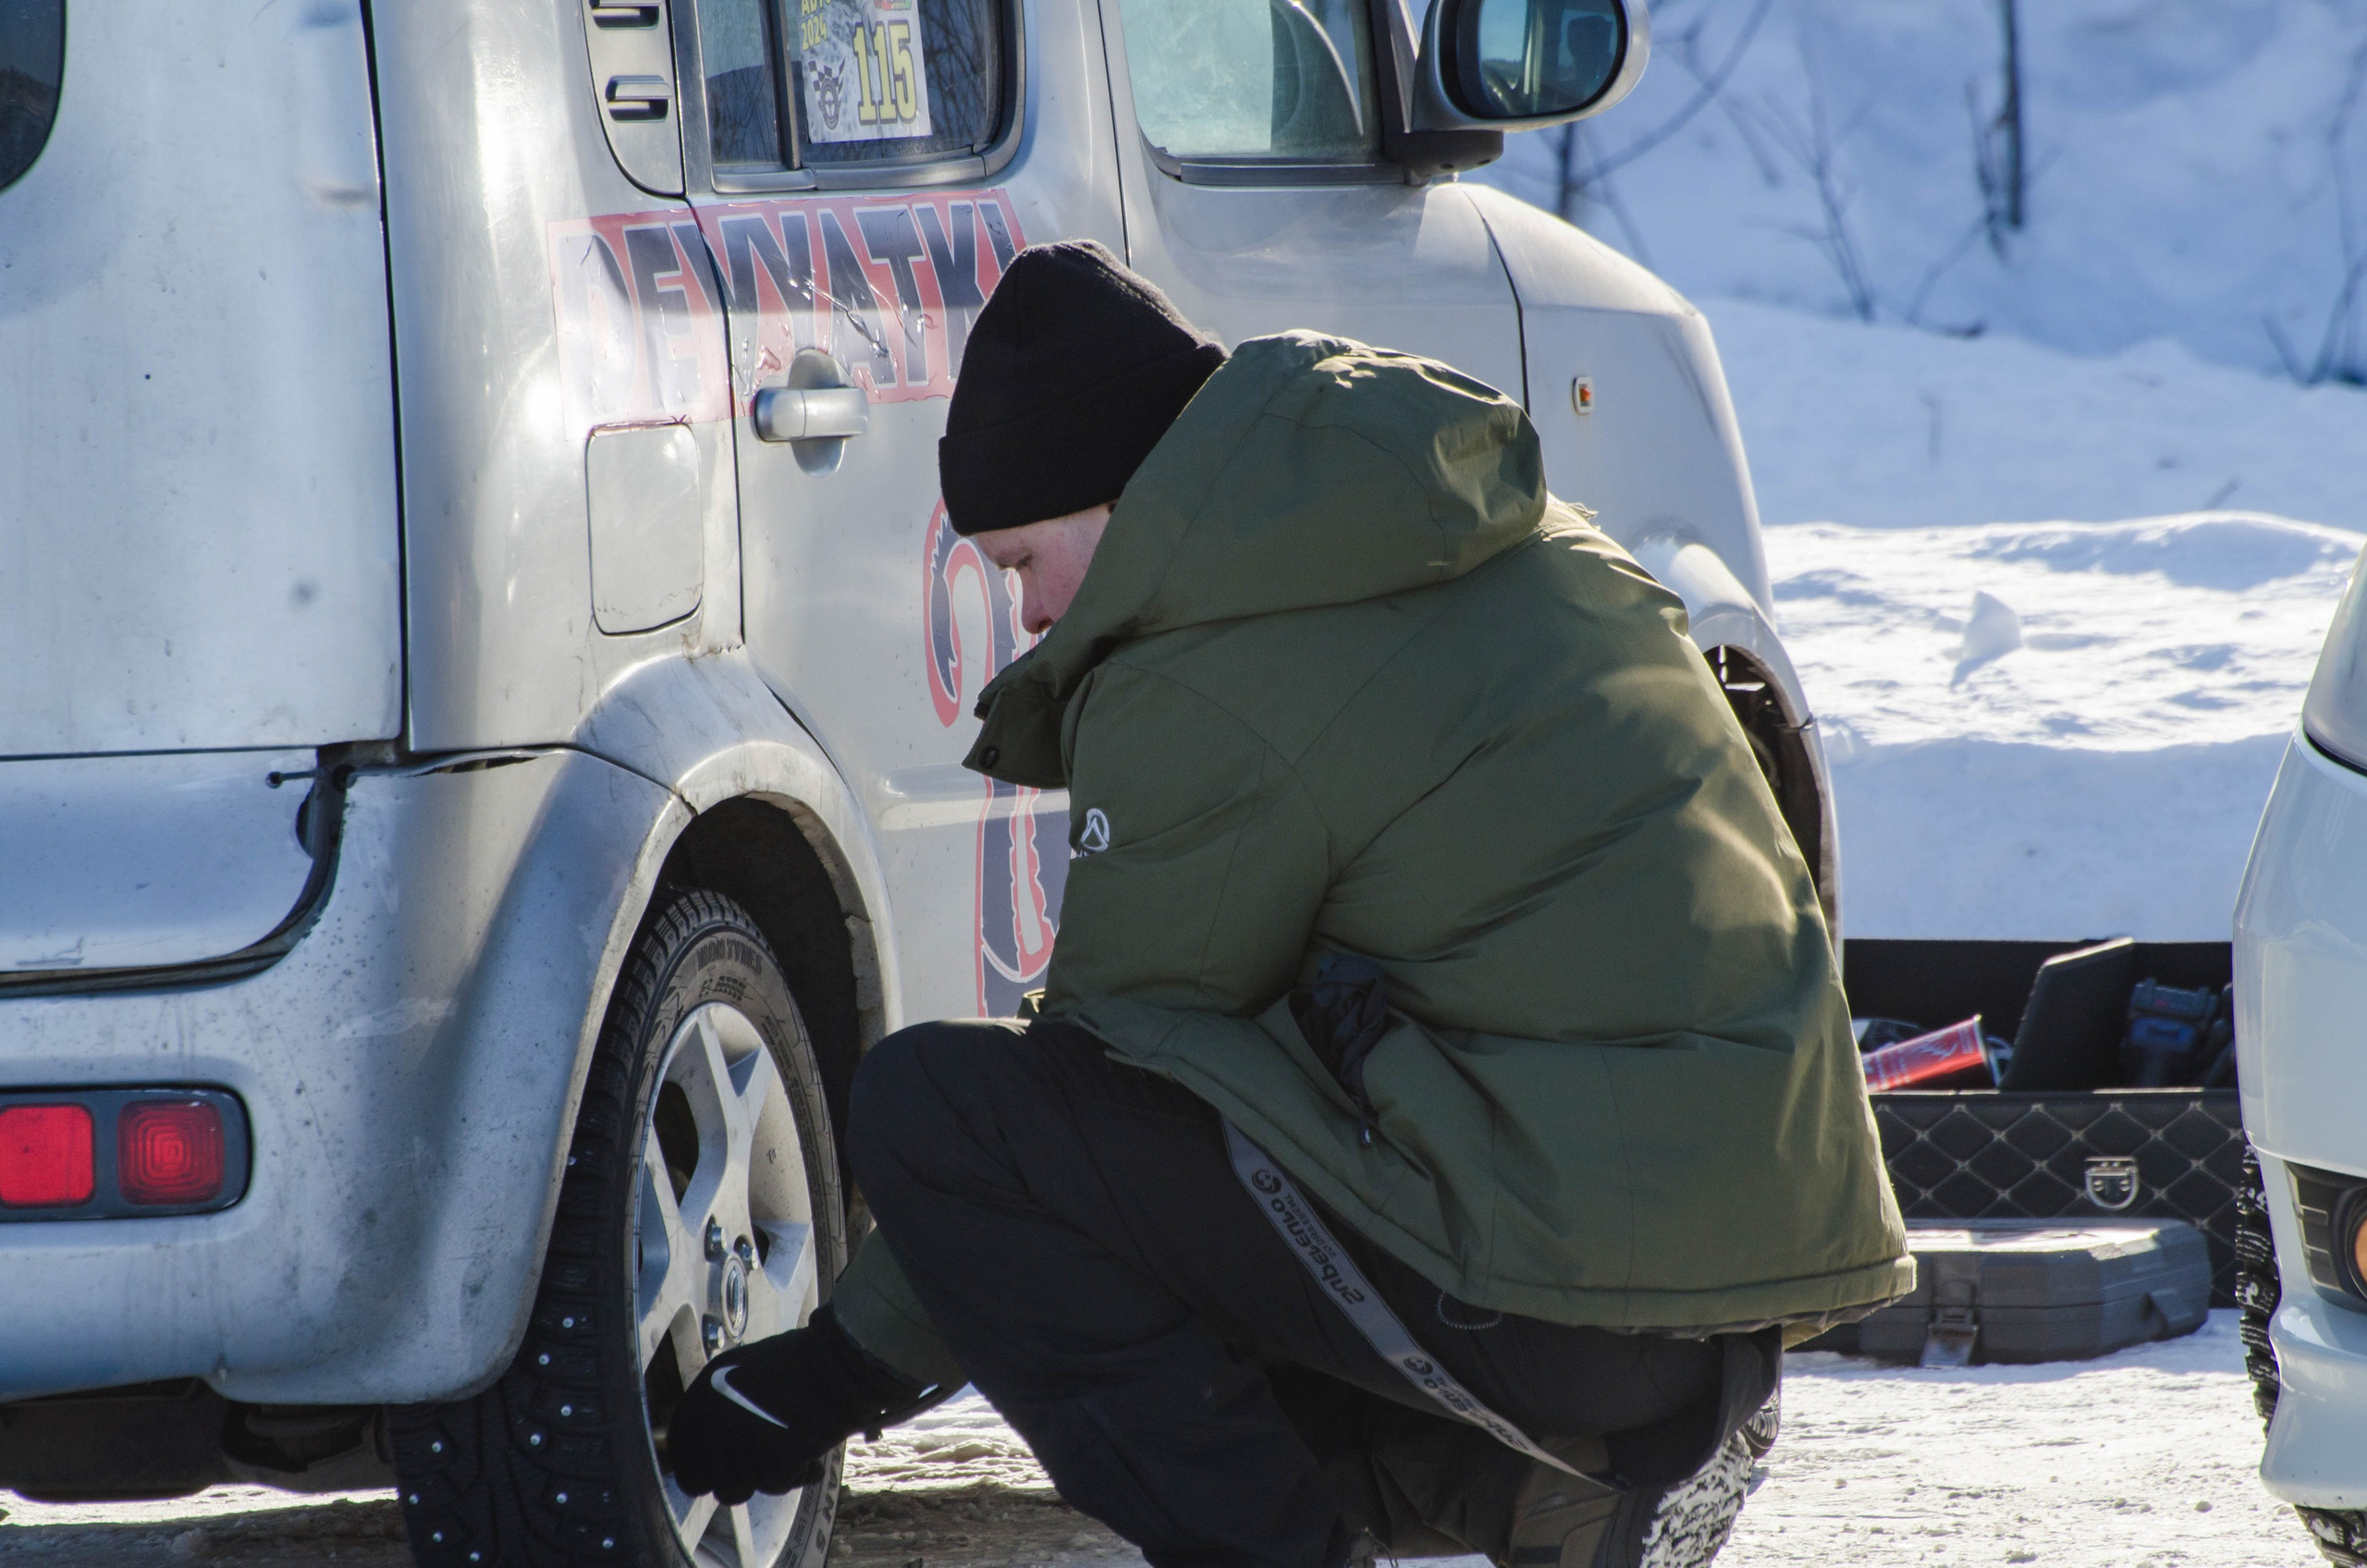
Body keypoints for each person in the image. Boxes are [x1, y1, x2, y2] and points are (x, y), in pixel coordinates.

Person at [664, 240, 1909, 1567]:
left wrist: (830, 1376)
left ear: (1116, 497)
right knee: (1211, 1158)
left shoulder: (1209, 665)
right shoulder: (1495, 538)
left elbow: (1096, 1067)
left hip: (1573, 1283)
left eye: (1022, 560)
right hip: (1727, 1278)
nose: (1026, 617)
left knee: (948, 1116)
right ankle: (1547, 1498)